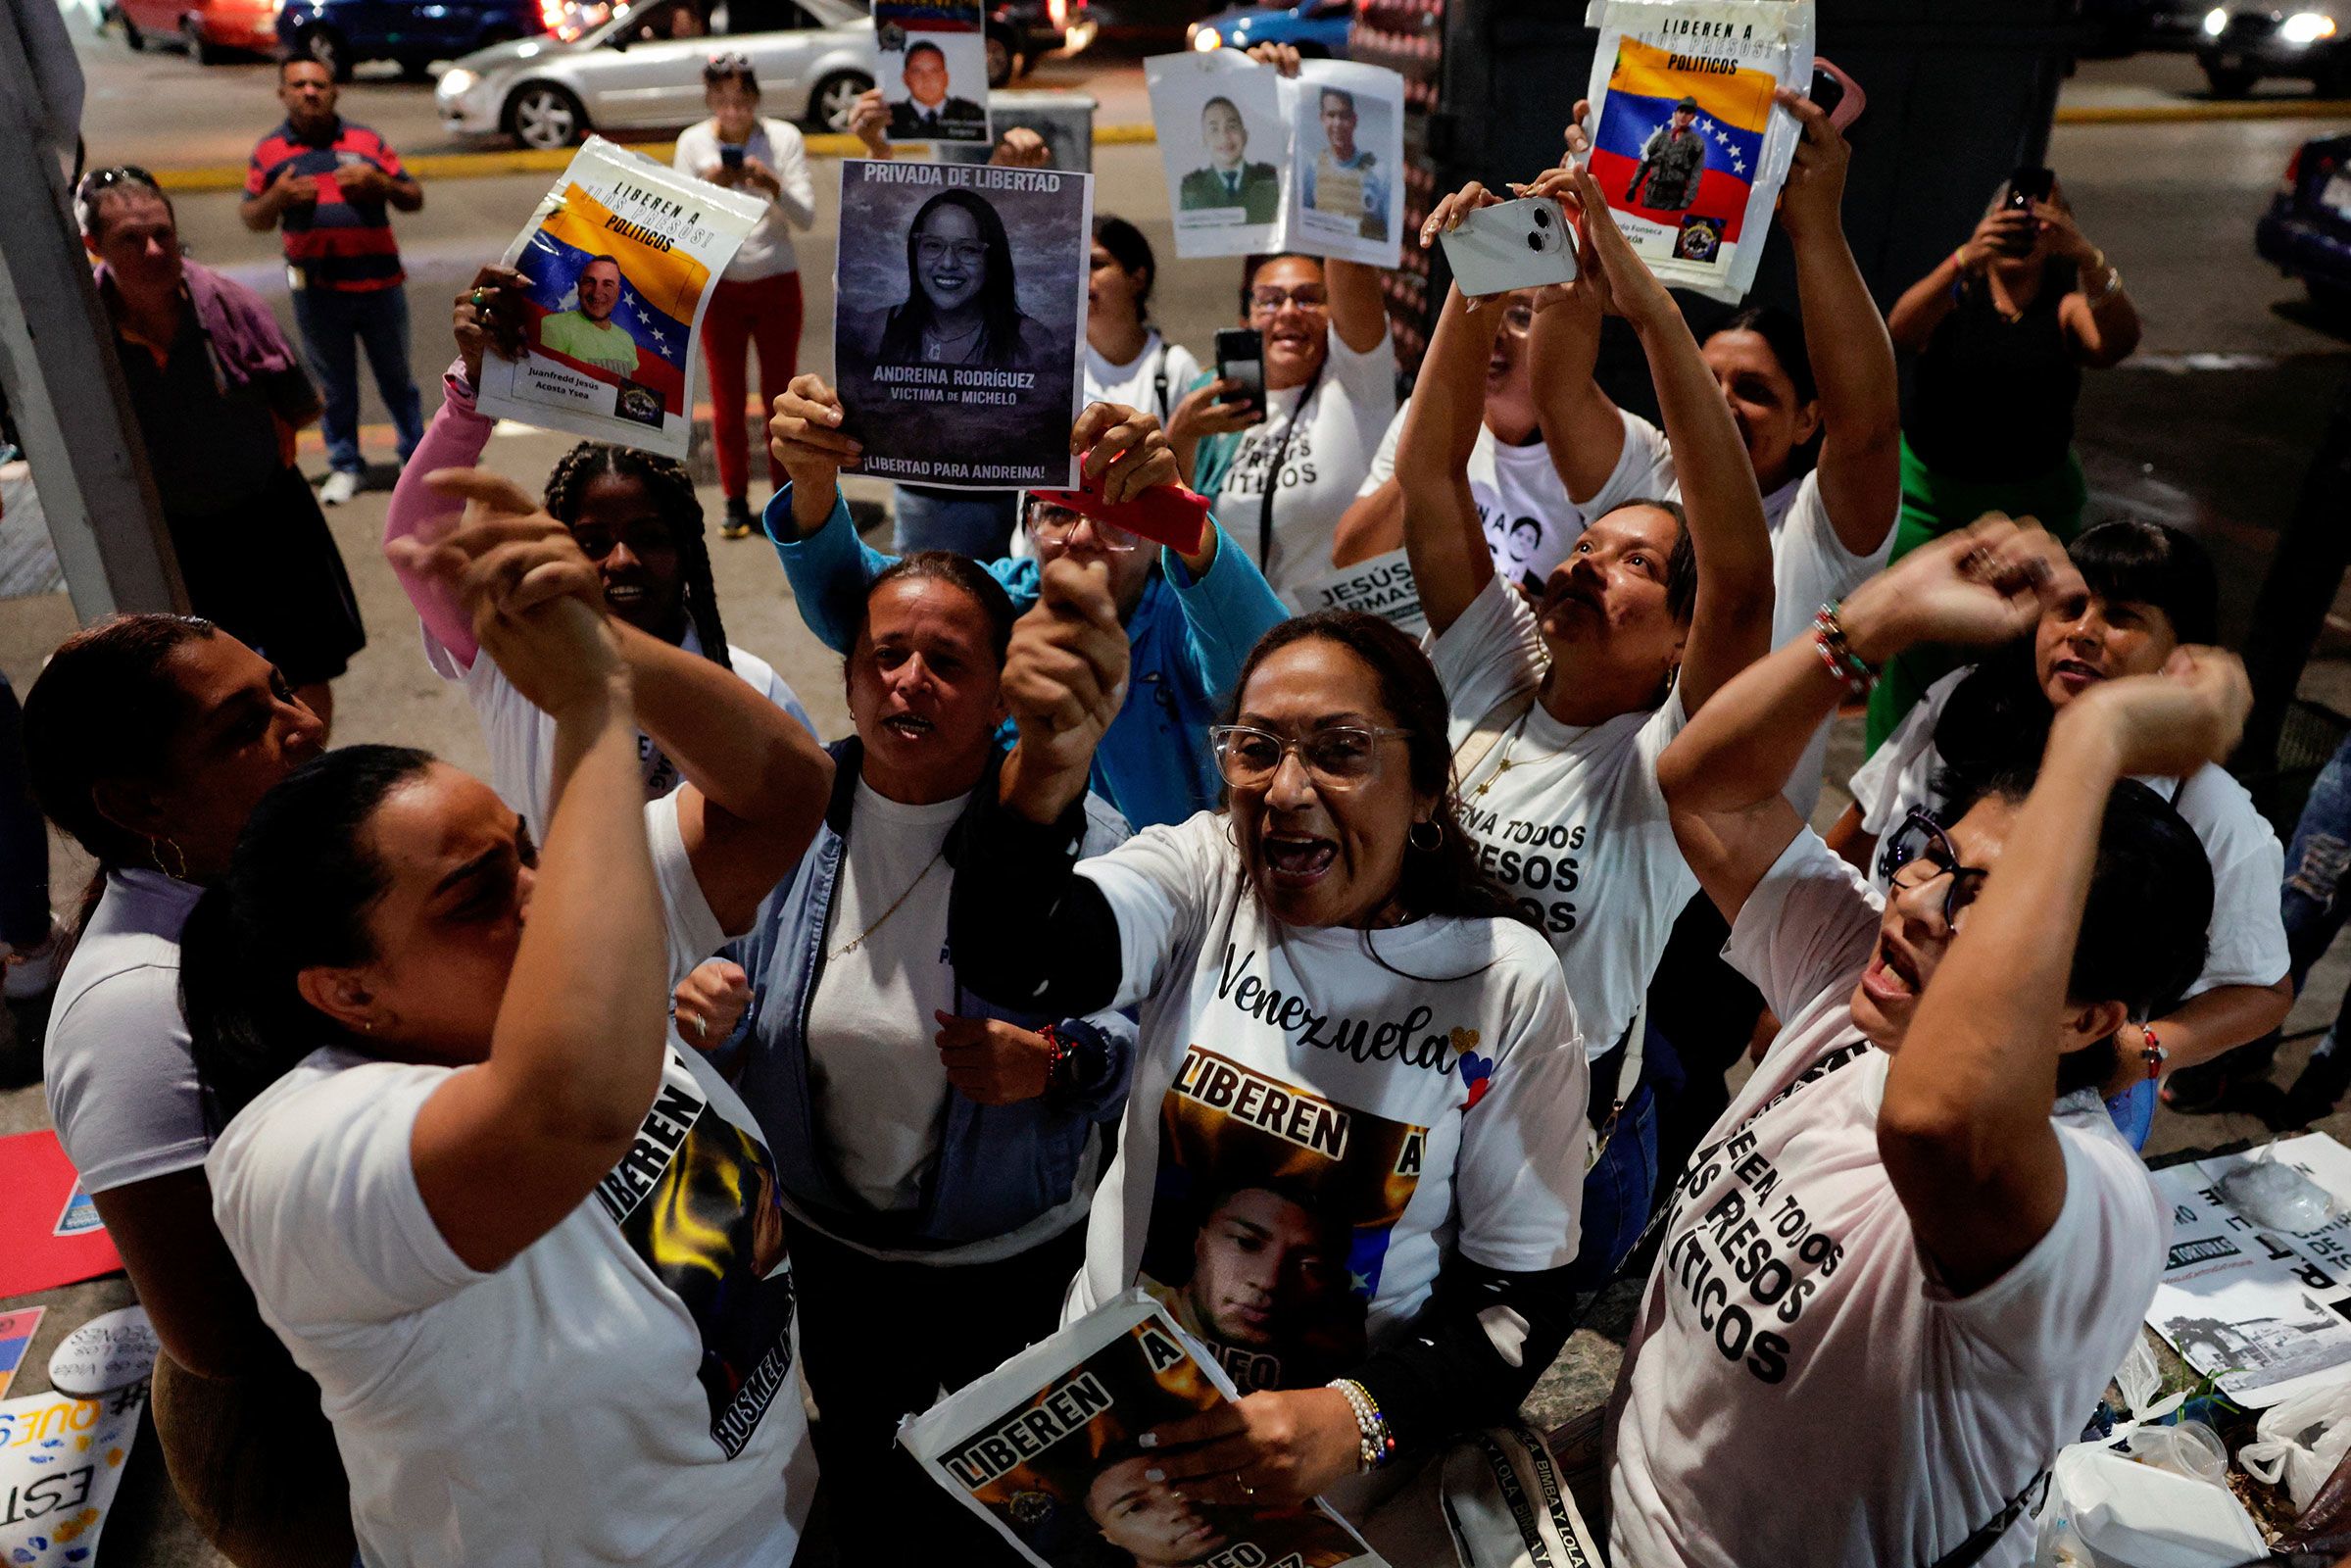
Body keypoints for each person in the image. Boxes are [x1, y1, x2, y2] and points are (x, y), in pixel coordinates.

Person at [183, 475, 835, 1567]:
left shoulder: (556, 966)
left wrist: (606, 646)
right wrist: (589, 713)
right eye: (476, 892)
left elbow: (784, 793)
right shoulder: (296, 1156)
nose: (542, 897)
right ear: (347, 990)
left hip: (779, 1522)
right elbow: (568, 1104)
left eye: (528, 851)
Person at [1613, 516, 2229, 1568]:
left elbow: (1936, 1122)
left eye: (1980, 903)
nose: (1912, 908)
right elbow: (1702, 786)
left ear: (2083, 1016)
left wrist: (2094, 742)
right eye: (1933, 861)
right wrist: (1875, 619)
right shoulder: (1858, 988)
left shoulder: (2090, 1203)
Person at [948, 581, 1591, 1513]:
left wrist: (1354, 1416)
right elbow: (1017, 959)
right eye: (1256, 751)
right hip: (1116, 1443)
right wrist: (1046, 764)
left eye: (1340, 752)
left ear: (1425, 789)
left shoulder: (1502, 982)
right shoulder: (1207, 874)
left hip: (1319, 1502)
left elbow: (1515, 1307)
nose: (1285, 792)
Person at [711, 539, 1140, 1566]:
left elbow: (1139, 1027)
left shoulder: (1082, 840)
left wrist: (1056, 1057)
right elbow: (711, 964)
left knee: (1018, 1498)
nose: (910, 680)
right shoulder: (780, 821)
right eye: (885, 655)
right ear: (850, 679)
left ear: (1001, 691)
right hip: (835, 1251)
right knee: (866, 1466)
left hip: (1014, 1258)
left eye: (946, 662)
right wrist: (705, 1004)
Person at [1398, 166, 1775, 1289]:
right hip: (1399, 1087)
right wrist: (1478, 282)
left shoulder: (1672, 757)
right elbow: (1429, 474)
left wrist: (1639, 301)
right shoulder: (1490, 670)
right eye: (1583, 542)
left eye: (1634, 564)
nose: (1581, 561)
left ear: (1680, 640)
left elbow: (1744, 575)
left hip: (1544, 1137)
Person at [26, 614, 355, 1566]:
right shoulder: (127, 1012)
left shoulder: (273, 869)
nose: (303, 725)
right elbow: (215, 1330)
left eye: (282, 687)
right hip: (310, 1453)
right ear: (140, 805)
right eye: (242, 726)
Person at [1835, 519, 2289, 1131]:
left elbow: (2263, 992)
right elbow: (1866, 824)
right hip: (1870, 1014)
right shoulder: (1967, 703)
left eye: (2123, 616)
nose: (2082, 632)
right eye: (2070, 606)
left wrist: (2143, 1053)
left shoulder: (2212, 814)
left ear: (2180, 657)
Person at [386, 267, 811, 840]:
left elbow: (808, 841)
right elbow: (416, 544)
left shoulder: (752, 688)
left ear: (689, 553)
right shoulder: (512, 657)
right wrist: (471, 399)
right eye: (590, 543)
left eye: (650, 538)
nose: (621, 561)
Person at [767, 386, 1289, 829]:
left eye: (1118, 517)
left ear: (1157, 540)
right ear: (1026, 524)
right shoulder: (994, 603)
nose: (1083, 537)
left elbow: (1269, 671)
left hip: (1162, 911)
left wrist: (1183, 519)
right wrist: (812, 481)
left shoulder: (1184, 618)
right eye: (1059, 514)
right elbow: (854, 607)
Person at [81, 166, 366, 734]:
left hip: (269, 513)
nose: (155, 250)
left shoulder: (232, 307)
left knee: (305, 666)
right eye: (130, 240)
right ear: (93, 246)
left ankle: (300, 779)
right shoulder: (83, 329)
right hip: (174, 533)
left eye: (163, 232)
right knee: (195, 680)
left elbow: (301, 405)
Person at [1873, 172, 2139, 749]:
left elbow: (2115, 344)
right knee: (1915, 640)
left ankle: (1994, 764)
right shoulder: (1958, 292)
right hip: (1934, 500)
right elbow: (1900, 328)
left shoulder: (2067, 305)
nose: (2026, 227)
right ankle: (1889, 776)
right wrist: (1965, 257)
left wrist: (2088, 256)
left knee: (2023, 647)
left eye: (2044, 217)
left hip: (2033, 509)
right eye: (2014, 213)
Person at [240, 56, 423, 508]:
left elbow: (413, 196)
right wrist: (278, 197)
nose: (310, 92)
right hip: (318, 292)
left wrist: (379, 182)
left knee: (397, 379)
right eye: (298, 85)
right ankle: (344, 465)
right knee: (335, 385)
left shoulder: (365, 141)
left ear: (334, 91)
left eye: (319, 84)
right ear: (282, 93)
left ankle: (416, 461)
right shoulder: (269, 152)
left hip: (380, 284)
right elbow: (252, 217)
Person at [1331, 294, 1584, 606]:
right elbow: (1352, 559)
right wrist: (1432, 443)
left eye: (1520, 317)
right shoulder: (1424, 417)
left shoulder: (1592, 454)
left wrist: (1534, 616)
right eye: (1486, 312)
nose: (1495, 332)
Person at [673, 55, 815, 540]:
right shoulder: (692, 142)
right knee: (726, 397)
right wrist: (708, 187)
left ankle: (784, 497)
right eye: (723, 102)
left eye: (742, 101)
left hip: (776, 280)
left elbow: (807, 217)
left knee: (781, 396)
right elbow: (679, 219)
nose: (734, 112)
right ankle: (735, 500)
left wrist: (770, 183)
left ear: (756, 99)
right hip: (721, 286)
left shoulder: (782, 139)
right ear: (710, 101)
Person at [1085, 216, 1202, 423]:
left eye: (1096, 264)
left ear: (1138, 278)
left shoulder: (1176, 368)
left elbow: (1200, 454)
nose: (1081, 274)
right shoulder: (1058, 366)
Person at [536, 256, 649, 379]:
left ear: (617, 293)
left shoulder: (627, 339)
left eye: (607, 284)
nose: (596, 293)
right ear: (579, 288)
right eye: (590, 282)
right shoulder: (554, 326)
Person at [1301, 87, 1389, 241]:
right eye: (1331, 115)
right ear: (1322, 119)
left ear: (1354, 120)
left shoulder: (1377, 173)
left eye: (1344, 116)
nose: (1337, 123)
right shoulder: (1312, 169)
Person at [1180, 95, 1281, 224]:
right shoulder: (1192, 188)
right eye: (1214, 129)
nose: (1224, 137)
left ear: (1245, 135)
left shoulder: (1268, 180)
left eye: (1232, 127)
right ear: (1204, 140)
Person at [888, 39, 985, 140]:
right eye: (917, 71)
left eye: (934, 71)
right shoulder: (890, 118)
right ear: (905, 78)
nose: (927, 79)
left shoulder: (972, 115)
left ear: (946, 78)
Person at [1626, 96, 1705, 212]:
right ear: (1675, 114)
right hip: (1651, 195)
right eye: (1681, 111)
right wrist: (1633, 186)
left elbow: (1696, 174)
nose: (1683, 116)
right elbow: (1645, 163)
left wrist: (1687, 200)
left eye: (1688, 113)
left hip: (1672, 200)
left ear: (1692, 117)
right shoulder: (1660, 138)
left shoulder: (1696, 144)